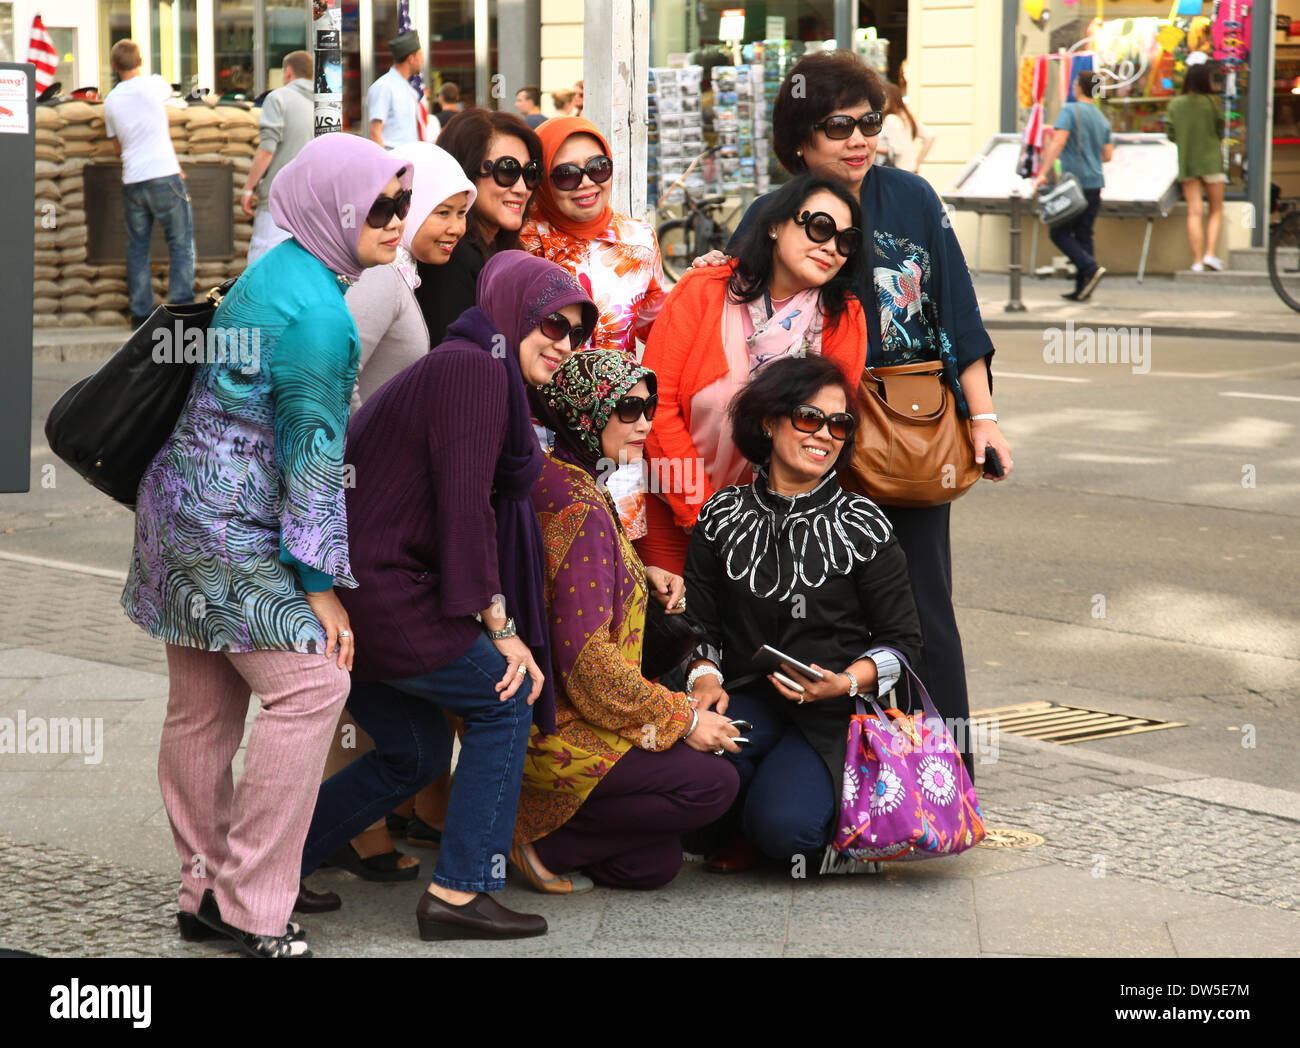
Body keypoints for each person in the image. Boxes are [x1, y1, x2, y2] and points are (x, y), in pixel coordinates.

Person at [120, 134, 413, 958]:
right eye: (381, 207)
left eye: (402, 203)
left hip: (178, 508)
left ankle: (203, 889)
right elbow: (315, 458)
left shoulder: (278, 269)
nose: (396, 221)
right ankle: (250, 904)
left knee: (205, 708)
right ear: (334, 206)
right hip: (225, 526)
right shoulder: (322, 315)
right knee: (315, 686)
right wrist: (320, 584)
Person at [703, 50, 1012, 781]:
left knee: (922, 603)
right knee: (819, 611)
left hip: (908, 428)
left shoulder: (911, 197)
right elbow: (735, 311)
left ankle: (944, 776)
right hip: (813, 433)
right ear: (800, 141)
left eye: (869, 121)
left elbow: (957, 313)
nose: (858, 138)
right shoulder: (775, 214)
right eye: (836, 125)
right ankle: (842, 778)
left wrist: (984, 417)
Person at [298, 252, 597, 941]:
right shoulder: (472, 370)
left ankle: (270, 866)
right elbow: (465, 506)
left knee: (417, 752)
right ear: (514, 311)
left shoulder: (478, 366)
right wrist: (500, 627)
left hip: (369, 588)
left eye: (578, 332)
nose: (564, 343)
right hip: (384, 592)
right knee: (505, 696)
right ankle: (460, 894)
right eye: (552, 323)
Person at [509, 351, 741, 893]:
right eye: (628, 408)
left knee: (651, 866)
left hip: (540, 710)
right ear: (586, 412)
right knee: (713, 785)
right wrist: (683, 719)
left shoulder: (559, 476)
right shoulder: (581, 503)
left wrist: (638, 571)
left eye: (650, 406)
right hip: (561, 726)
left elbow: (572, 586)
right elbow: (589, 667)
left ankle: (553, 826)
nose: (645, 423)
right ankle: (533, 838)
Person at [682, 355, 923, 872]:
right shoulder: (721, 514)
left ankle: (792, 823)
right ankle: (752, 810)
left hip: (837, 712)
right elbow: (699, 624)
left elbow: (903, 642)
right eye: (808, 417)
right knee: (692, 776)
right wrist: (703, 678)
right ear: (768, 421)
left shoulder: (864, 524)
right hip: (750, 698)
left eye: (840, 424)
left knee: (788, 831)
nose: (826, 435)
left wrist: (844, 683)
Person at [639, 173, 868, 578]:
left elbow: (828, 435)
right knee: (674, 634)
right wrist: (708, 515)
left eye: (845, 240)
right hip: (672, 510)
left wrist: (758, 525)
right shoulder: (703, 290)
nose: (831, 246)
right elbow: (656, 406)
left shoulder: (844, 317)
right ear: (775, 225)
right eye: (819, 227)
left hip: (780, 528)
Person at [521, 116, 668, 540]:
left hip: (620, 434)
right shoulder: (524, 242)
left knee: (620, 557)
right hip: (542, 432)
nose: (586, 183)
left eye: (597, 168)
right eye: (566, 174)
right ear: (544, 181)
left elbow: (658, 329)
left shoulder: (638, 240)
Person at [413, 108, 542, 346]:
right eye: (507, 171)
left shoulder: (497, 248)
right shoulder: (449, 253)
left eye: (530, 173)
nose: (522, 187)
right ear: (466, 172)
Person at [103, 39, 195, 327]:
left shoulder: (111, 101)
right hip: (164, 175)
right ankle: (180, 308)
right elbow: (173, 94)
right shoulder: (153, 85)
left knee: (138, 248)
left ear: (115, 66)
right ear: (140, 61)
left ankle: (140, 314)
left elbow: (117, 148)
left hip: (133, 180)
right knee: (180, 244)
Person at [1035, 69, 1113, 301]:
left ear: (1079, 87)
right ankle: (1083, 288)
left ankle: (1089, 268)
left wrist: (1043, 173)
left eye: (1075, 82)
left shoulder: (1070, 110)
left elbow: (1058, 142)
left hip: (1074, 183)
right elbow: (1108, 155)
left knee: (1058, 232)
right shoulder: (1101, 117)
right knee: (1083, 233)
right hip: (1095, 183)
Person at [242, 50, 315, 263]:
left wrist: (249, 188)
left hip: (277, 200)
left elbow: (267, 149)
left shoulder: (277, 98)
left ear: (288, 72)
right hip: (310, 202)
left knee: (262, 262)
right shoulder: (324, 105)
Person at [1166, 61, 1226, 272]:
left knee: (1194, 212)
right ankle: (1211, 253)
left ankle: (1197, 261)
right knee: (1216, 209)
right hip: (1211, 161)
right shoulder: (1213, 102)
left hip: (1188, 161)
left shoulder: (1176, 104)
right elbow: (1221, 130)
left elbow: (1170, 135)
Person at [367, 30, 436, 149]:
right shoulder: (384, 86)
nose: (423, 59)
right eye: (420, 55)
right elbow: (375, 132)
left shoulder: (409, 89)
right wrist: (387, 164)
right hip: (393, 161)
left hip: (409, 160)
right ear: (411, 58)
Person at [878, 80, 935, 173]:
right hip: (909, 172)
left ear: (892, 98)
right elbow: (930, 136)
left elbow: (896, 150)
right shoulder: (905, 117)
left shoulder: (891, 119)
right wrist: (917, 163)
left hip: (896, 173)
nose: (881, 102)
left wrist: (873, 147)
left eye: (883, 98)